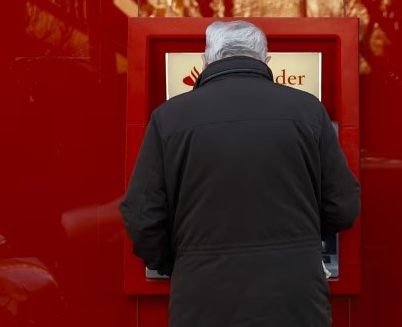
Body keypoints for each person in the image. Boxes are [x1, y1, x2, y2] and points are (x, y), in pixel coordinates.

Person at [120, 20, 360, 327]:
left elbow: (142, 217)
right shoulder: (309, 111)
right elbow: (343, 205)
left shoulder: (168, 117)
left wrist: (178, 263)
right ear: (266, 59)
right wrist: (300, 245)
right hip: (295, 297)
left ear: (206, 59)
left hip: (202, 297)